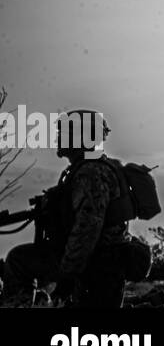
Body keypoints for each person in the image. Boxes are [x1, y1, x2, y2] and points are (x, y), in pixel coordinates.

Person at [0, 110, 152, 307]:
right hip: (96, 260)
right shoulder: (89, 168)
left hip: (97, 262)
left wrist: (68, 275)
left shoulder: (90, 173)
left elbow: (87, 230)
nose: (57, 137)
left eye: (64, 133)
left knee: (18, 262)